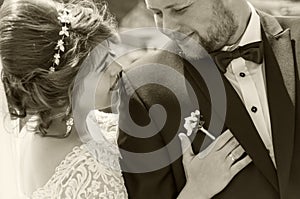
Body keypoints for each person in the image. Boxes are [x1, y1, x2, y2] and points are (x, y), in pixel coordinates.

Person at [117, 0, 300, 198]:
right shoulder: (145, 87)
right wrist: (195, 192)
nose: (167, 28)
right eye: (158, 13)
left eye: (180, 9)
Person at [0, 0, 128, 198]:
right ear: (65, 83)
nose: (118, 68)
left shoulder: (33, 130)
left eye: (111, 55)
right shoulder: (88, 172)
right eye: (103, 66)